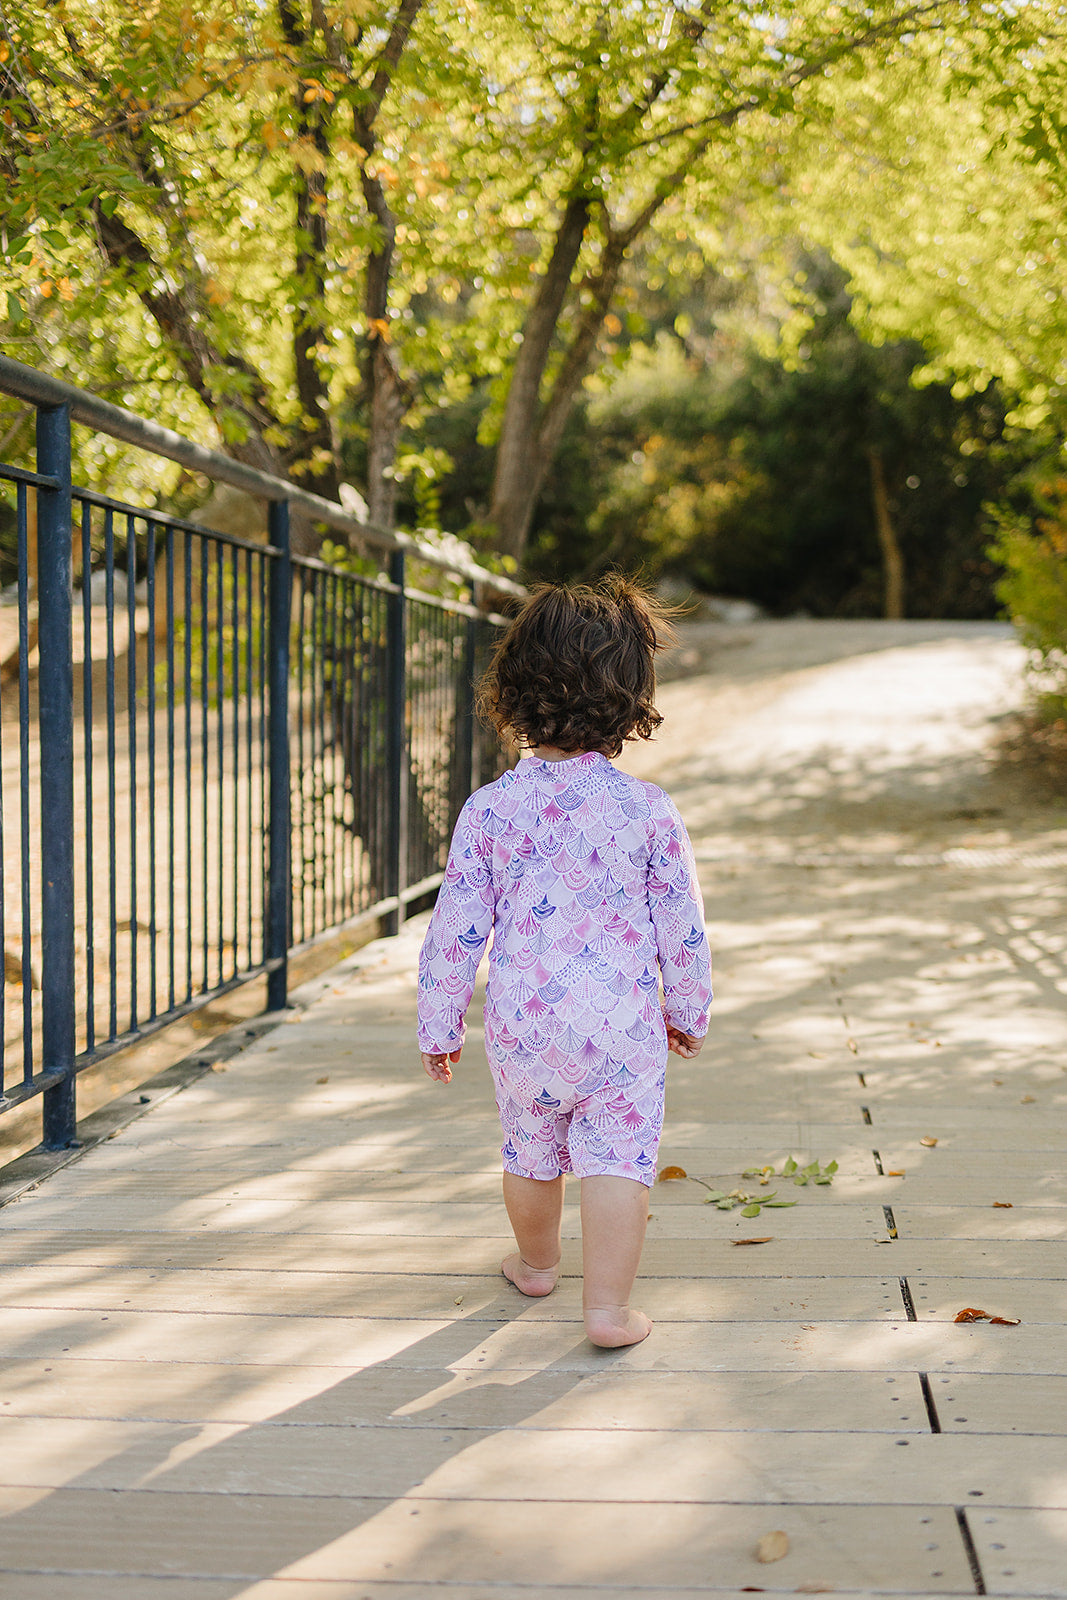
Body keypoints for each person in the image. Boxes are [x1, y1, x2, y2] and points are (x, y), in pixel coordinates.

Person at [417, 577, 712, 1347]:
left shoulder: (487, 810)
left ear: (511, 693)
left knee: (530, 1145)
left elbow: (455, 929)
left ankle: (537, 1263)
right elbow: (680, 926)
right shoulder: (647, 810)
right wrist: (687, 1009)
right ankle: (609, 1311)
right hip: (620, 1024)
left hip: (524, 1022)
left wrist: (440, 1020)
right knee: (616, 1158)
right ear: (630, 699)